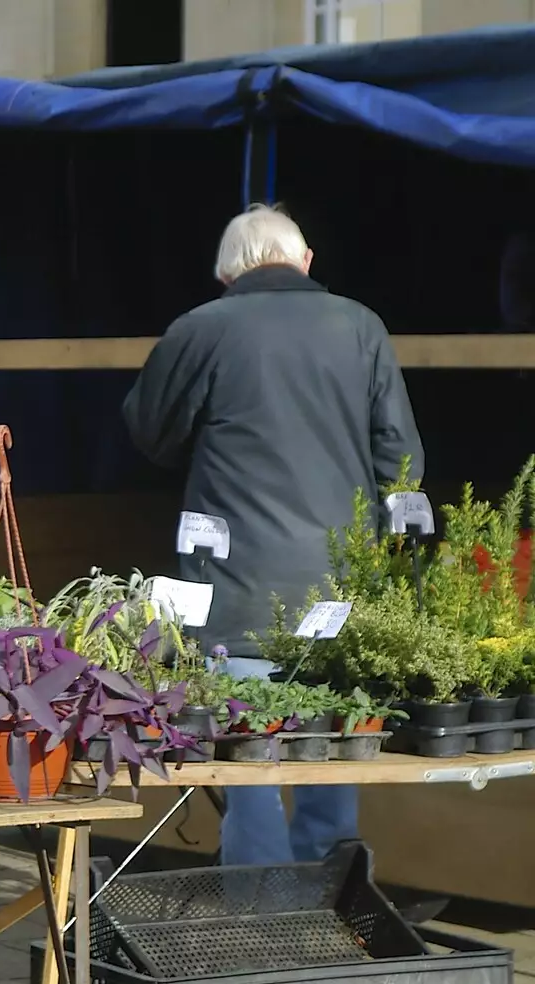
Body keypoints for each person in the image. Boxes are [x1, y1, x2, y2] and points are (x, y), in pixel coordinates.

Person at [123, 204, 423, 866]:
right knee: (335, 742)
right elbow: (401, 459)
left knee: (246, 754)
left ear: (226, 273)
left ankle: (260, 907)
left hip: (236, 585)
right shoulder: (361, 325)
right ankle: (330, 896)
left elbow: (149, 431)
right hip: (341, 582)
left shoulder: (201, 328)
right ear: (305, 261)